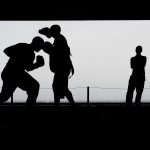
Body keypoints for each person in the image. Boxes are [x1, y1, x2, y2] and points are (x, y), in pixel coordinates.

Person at [0, 36, 45, 105]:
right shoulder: (26, 48)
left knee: (4, 97)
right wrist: (37, 64)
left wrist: (37, 64)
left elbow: (28, 68)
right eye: (40, 46)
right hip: (14, 74)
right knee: (34, 86)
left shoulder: (28, 50)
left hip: (12, 73)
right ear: (36, 44)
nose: (40, 49)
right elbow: (6, 50)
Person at [39, 24, 75, 106]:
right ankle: (61, 105)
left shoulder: (59, 39)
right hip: (63, 68)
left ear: (55, 31)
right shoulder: (59, 38)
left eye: (52, 31)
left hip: (62, 68)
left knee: (59, 87)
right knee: (59, 87)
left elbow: (57, 53)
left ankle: (63, 105)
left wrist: (47, 48)